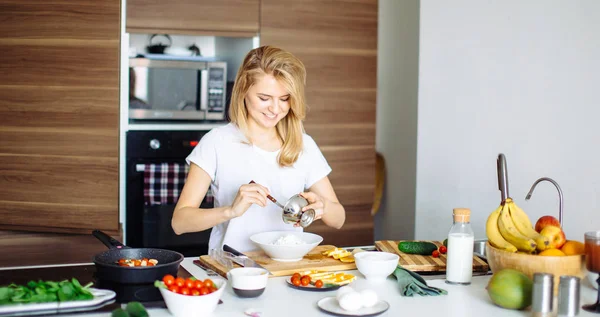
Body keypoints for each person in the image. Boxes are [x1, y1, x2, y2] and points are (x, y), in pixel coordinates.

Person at [172, 46, 345, 252]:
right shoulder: (216, 142)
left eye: (284, 99)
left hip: (286, 270)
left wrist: (322, 207)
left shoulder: (303, 144)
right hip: (231, 269)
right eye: (264, 98)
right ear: (244, 90)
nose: (275, 109)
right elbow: (179, 223)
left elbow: (338, 219)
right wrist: (230, 211)